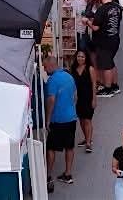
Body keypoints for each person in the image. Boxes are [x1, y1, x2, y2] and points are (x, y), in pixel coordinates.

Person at [43, 56, 78, 191]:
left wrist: (47, 119)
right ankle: (68, 174)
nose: (44, 70)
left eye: (45, 67)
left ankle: (48, 175)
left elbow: (51, 100)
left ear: (51, 65)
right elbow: (75, 96)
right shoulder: (69, 77)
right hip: (71, 118)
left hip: (58, 119)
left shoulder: (52, 80)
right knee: (69, 146)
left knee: (51, 148)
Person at [90, 0, 123, 97]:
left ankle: (108, 88)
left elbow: (95, 27)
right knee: (111, 62)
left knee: (106, 65)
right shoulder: (117, 7)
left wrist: (87, 22)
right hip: (115, 39)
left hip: (104, 41)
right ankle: (115, 86)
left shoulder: (102, 9)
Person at [70, 50, 98, 153]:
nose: (80, 58)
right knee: (81, 120)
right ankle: (86, 138)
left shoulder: (90, 69)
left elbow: (94, 84)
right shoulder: (73, 69)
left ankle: (88, 142)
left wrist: (94, 99)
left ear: (86, 58)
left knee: (87, 120)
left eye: (82, 57)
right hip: (78, 98)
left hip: (88, 97)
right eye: (79, 56)